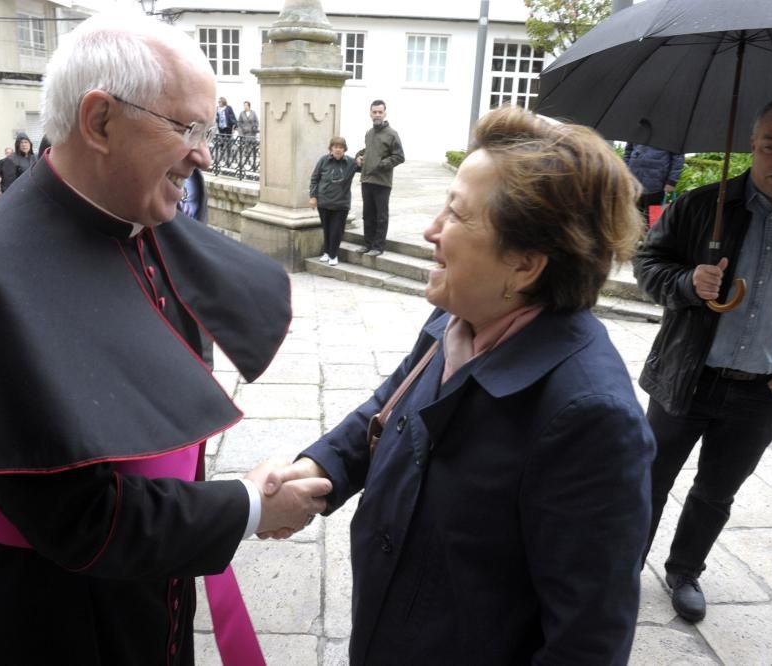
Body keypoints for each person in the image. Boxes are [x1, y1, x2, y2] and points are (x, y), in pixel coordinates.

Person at [0, 15, 330, 665]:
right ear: (99, 122)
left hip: (150, 579)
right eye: (188, 128)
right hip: (56, 616)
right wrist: (248, 508)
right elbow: (79, 518)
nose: (205, 153)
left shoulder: (134, 221)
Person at [271, 106, 656, 664]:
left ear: (525, 265)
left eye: (454, 213)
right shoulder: (454, 320)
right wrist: (314, 472)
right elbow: (388, 408)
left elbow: (587, 642)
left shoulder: (591, 418)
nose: (430, 230)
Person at [634, 93, 772, 624]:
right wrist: (687, 281)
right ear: (753, 146)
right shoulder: (701, 206)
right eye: (770, 146)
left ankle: (685, 570)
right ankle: (624, 564)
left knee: (717, 492)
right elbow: (648, 263)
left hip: (763, 391)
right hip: (686, 377)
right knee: (647, 478)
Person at [354, 99, 404, 256]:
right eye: (374, 112)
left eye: (380, 112)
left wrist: (380, 164)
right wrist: (359, 156)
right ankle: (367, 244)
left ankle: (378, 246)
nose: (377, 115)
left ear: (385, 113)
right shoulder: (369, 133)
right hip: (366, 180)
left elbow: (399, 156)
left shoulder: (392, 134)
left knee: (381, 216)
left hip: (382, 182)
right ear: (370, 113)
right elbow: (368, 150)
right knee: (367, 215)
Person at [309, 136, 358, 266]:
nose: (338, 150)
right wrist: (313, 196)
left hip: (341, 203)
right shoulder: (323, 161)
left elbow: (363, 165)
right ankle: (326, 252)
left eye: (341, 147)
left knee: (336, 230)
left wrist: (361, 159)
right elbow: (315, 178)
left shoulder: (350, 163)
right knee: (327, 229)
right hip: (324, 201)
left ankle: (333, 254)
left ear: (344, 149)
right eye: (335, 147)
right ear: (331, 148)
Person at [623, 143, 685, 227]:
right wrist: (625, 172)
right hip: (634, 181)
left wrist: (671, 181)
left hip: (657, 183)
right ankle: (635, 236)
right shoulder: (636, 131)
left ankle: (653, 237)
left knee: (654, 217)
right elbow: (628, 151)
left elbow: (678, 159)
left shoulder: (672, 134)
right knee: (633, 214)